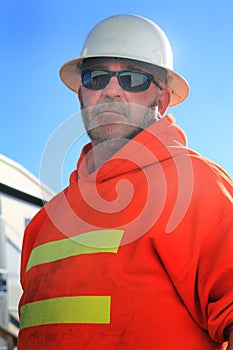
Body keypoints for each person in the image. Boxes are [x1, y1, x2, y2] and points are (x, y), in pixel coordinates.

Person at [18, 14, 233, 349]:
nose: (112, 91)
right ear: (81, 95)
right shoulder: (44, 222)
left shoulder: (196, 186)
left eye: (133, 79)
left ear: (161, 101)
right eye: (97, 77)